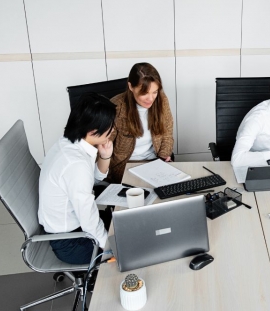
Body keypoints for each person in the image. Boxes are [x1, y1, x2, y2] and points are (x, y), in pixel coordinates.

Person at [38, 93, 116, 265]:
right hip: (71, 241)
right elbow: (88, 218)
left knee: (128, 222)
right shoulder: (76, 163)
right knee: (131, 247)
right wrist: (109, 248)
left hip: (75, 227)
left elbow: (91, 180)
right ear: (92, 131)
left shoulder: (68, 143)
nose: (112, 130)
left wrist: (105, 156)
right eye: (109, 127)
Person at [106, 62, 174, 183]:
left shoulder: (161, 100)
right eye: (144, 93)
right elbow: (104, 144)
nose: (151, 98)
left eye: (155, 92)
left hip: (155, 162)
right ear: (131, 86)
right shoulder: (116, 107)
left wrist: (164, 156)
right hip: (125, 167)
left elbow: (167, 133)